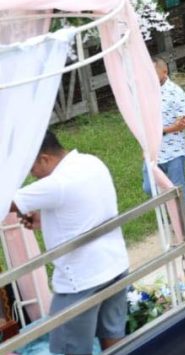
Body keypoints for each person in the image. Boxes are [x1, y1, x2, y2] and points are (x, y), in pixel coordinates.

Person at [10, 132, 129, 355]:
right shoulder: (91, 162)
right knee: (114, 337)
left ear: (44, 158)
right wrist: (45, 220)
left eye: (31, 169)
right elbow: (86, 211)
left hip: (81, 281)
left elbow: (7, 202)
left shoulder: (57, 183)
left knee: (69, 350)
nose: (33, 176)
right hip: (115, 266)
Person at [142, 57, 185, 204]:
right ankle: (171, 212)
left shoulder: (175, 92)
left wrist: (162, 131)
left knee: (178, 188)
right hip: (153, 151)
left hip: (174, 150)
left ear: (164, 72)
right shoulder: (145, 92)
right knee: (149, 187)